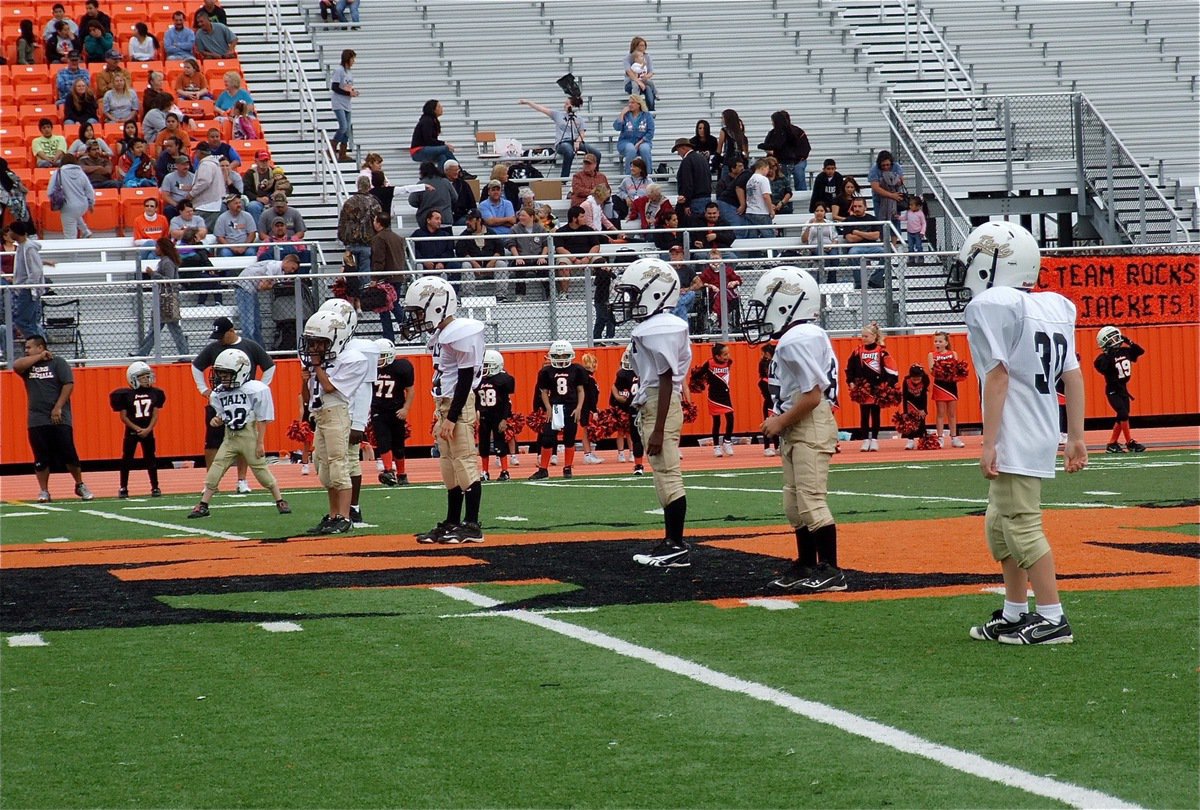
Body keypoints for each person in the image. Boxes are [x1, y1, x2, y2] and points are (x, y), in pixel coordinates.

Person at [948, 220, 1086, 645]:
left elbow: (999, 377)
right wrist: (1076, 435)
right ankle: (1014, 612)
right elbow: (1074, 376)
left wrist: (989, 442)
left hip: (1017, 428)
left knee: (1021, 524)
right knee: (1000, 524)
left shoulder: (990, 305)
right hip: (1040, 425)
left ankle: (1052, 616)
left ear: (995, 265)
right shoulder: (1054, 305)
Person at [744, 266, 845, 592]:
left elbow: (813, 395)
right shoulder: (803, 335)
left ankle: (831, 570)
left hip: (808, 423)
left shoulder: (796, 338)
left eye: (766, 304)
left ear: (787, 305)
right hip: (799, 423)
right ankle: (806, 563)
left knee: (811, 501)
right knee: (794, 502)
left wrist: (779, 421)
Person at [613, 257, 693, 567]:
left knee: (669, 475)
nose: (629, 301)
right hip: (656, 402)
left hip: (661, 403)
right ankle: (672, 542)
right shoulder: (656, 326)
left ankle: (676, 545)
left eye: (634, 293)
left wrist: (658, 428)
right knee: (663, 475)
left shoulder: (661, 327)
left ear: (655, 293)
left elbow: (665, 377)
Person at [401, 275, 487, 544]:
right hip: (445, 405)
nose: (415, 318)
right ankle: (452, 521)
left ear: (437, 306)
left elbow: (465, 379)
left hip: (457, 405)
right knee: (448, 465)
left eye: (418, 311)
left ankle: (472, 525)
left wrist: (452, 416)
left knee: (464, 461)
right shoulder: (441, 334)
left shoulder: (460, 331)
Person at [187, 348, 291, 519]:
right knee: (216, 468)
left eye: (226, 375)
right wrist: (217, 420)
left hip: (248, 435)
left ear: (240, 372)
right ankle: (203, 505)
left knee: (261, 470)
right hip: (230, 437)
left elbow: (262, 417)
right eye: (220, 374)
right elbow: (223, 414)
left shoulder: (254, 389)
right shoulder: (219, 392)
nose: (222, 378)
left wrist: (260, 442)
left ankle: (280, 500)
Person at [298, 309, 368, 534]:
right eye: (312, 343)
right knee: (324, 468)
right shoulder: (320, 362)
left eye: (319, 343)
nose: (313, 348)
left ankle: (345, 517)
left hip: (336, 414)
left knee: (339, 465)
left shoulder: (352, 359)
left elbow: (329, 388)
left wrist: (317, 366)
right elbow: (309, 397)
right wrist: (304, 379)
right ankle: (332, 514)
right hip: (320, 416)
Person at [192, 316, 275, 487]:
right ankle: (211, 480)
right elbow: (196, 366)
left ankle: (242, 480)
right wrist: (204, 389)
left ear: (232, 331)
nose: (219, 340)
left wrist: (259, 387)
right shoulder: (214, 348)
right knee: (212, 440)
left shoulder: (250, 346)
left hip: (244, 402)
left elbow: (269, 366)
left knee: (243, 441)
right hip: (221, 399)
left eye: (222, 336)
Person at [13, 335, 95, 503]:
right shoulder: (29, 366)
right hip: (37, 418)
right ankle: (44, 491)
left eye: (29, 347)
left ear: (40, 346)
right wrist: (38, 357)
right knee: (40, 456)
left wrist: (58, 407)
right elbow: (16, 366)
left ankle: (79, 485)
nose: (26, 351)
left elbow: (68, 384)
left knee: (69, 452)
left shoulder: (58, 363)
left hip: (59, 417)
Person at [528, 340, 587, 479]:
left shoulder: (577, 369)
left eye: (564, 356)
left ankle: (567, 468)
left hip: (571, 406)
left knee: (569, 438)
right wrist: (548, 407)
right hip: (555, 407)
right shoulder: (546, 371)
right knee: (547, 437)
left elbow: (580, 390)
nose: (560, 359)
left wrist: (579, 408)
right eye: (557, 356)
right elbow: (543, 391)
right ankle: (543, 469)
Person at [109, 362, 165, 497]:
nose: (147, 379)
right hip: (132, 431)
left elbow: (155, 414)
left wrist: (148, 429)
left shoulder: (156, 393)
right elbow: (123, 417)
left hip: (148, 430)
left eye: (148, 376)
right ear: (133, 379)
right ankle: (123, 487)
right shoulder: (125, 394)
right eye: (143, 377)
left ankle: (155, 487)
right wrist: (137, 428)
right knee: (127, 460)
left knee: (151, 459)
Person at [518, 97, 601, 179]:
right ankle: (564, 178)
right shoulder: (558, 115)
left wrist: (578, 141)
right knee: (569, 152)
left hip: (575, 141)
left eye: (567, 104)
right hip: (562, 142)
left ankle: (595, 175)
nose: (564, 105)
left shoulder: (579, 119)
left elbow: (582, 133)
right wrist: (528, 102)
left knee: (597, 153)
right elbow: (542, 109)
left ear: (573, 106)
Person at [1094, 326, 1146, 453]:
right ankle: (1129, 442)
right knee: (1123, 414)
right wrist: (1109, 354)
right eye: (1113, 338)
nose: (1117, 339)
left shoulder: (1125, 351)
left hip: (1123, 389)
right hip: (1113, 390)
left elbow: (1140, 351)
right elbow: (1102, 367)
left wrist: (1128, 341)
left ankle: (1112, 444)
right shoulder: (1102, 358)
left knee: (1122, 416)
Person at [134, 238, 189, 357]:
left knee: (168, 329)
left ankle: (184, 354)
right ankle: (143, 353)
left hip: (167, 300)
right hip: (164, 300)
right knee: (159, 329)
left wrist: (153, 274)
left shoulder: (167, 262)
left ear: (163, 248)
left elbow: (169, 281)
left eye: (157, 247)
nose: (155, 249)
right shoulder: (165, 261)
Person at [846, 321, 896, 451]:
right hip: (863, 388)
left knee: (875, 414)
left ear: (874, 337)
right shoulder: (857, 351)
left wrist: (888, 385)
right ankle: (865, 440)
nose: (863, 339)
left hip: (877, 388)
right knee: (864, 415)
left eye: (866, 336)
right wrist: (851, 381)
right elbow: (850, 368)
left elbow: (892, 369)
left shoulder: (882, 351)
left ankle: (874, 440)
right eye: (862, 336)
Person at [371, 338, 414, 486]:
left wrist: (406, 408)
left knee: (398, 445)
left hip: (396, 411)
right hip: (378, 410)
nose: (378, 359)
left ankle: (402, 474)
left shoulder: (401, 367)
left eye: (381, 356)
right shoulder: (371, 368)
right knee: (383, 441)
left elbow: (410, 390)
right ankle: (389, 471)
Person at [8, 222, 52, 342]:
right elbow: (33, 265)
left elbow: (35, 270)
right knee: (30, 322)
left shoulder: (28, 247)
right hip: (27, 289)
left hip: (28, 291)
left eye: (10, 231)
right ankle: (39, 346)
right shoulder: (24, 247)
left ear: (16, 232)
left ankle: (36, 344)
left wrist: (27, 285)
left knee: (22, 321)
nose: (9, 233)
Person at [476, 349, 515, 481]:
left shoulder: (503, 379)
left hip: (497, 416)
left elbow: (506, 402)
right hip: (483, 416)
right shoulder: (478, 380)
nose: (484, 368)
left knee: (500, 443)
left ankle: (505, 471)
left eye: (487, 365)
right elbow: (475, 400)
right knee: (483, 445)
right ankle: (485, 471)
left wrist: (504, 419)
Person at [370, 213, 408, 341]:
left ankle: (390, 335)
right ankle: (405, 326)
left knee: (384, 307)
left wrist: (375, 279)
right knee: (393, 303)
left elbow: (378, 260)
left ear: (379, 223)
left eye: (375, 220)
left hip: (385, 278)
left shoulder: (379, 238)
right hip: (397, 276)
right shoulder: (397, 237)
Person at [338, 175, 382, 281]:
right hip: (367, 243)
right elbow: (379, 222)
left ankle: (353, 294)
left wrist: (343, 238)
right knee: (365, 271)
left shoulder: (349, 202)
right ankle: (364, 293)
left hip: (351, 243)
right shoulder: (373, 202)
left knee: (350, 272)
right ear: (369, 186)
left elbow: (342, 223)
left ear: (358, 186)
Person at [610, 347, 645, 473]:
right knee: (636, 436)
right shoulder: (624, 373)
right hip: (635, 407)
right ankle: (639, 465)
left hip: (648, 406)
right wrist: (619, 397)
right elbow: (615, 387)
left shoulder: (648, 371)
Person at [928, 331, 965, 448]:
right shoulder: (931, 355)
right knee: (940, 413)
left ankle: (954, 438)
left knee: (952, 413)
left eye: (940, 341)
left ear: (946, 342)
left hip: (951, 386)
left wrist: (952, 372)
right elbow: (931, 371)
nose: (937, 343)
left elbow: (957, 369)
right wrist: (941, 370)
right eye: (935, 341)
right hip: (940, 385)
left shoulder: (953, 353)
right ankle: (940, 438)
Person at [553, 205, 601, 295]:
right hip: (569, 257)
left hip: (588, 256)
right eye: (582, 216)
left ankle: (602, 293)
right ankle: (564, 294)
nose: (585, 218)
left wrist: (587, 257)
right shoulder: (561, 231)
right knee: (563, 266)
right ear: (574, 219)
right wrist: (574, 259)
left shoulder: (589, 230)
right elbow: (560, 248)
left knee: (602, 264)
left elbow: (596, 246)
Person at [759, 109, 811, 192]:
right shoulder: (773, 133)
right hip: (781, 160)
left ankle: (800, 193)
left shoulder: (796, 132)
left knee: (798, 173)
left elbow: (805, 147)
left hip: (797, 160)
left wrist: (799, 158)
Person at [838, 197, 885, 287]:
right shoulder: (848, 220)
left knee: (887, 254)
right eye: (855, 206)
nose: (857, 209)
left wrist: (858, 232)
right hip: (856, 248)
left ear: (865, 207)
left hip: (872, 247)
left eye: (860, 206)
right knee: (852, 254)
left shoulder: (872, 219)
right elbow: (850, 239)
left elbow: (876, 236)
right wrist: (868, 234)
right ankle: (860, 283)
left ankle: (875, 279)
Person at [700, 343, 735, 456]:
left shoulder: (728, 362)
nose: (727, 356)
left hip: (725, 395)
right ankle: (716, 447)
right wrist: (697, 382)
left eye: (728, 353)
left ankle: (727, 442)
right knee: (717, 422)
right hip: (714, 396)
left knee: (730, 418)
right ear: (717, 356)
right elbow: (699, 374)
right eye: (725, 354)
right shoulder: (709, 363)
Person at [50, 155, 96, 239]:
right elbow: (89, 190)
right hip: (83, 205)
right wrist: (91, 203)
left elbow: (50, 191)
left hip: (68, 206)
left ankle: (73, 251)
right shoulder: (81, 172)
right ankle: (85, 231)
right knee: (76, 214)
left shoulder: (58, 172)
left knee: (70, 236)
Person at [868, 150, 906, 243]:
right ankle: (883, 244)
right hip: (880, 200)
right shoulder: (874, 170)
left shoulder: (896, 167)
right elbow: (875, 187)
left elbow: (902, 181)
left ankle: (894, 245)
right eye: (883, 165)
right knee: (881, 222)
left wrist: (896, 181)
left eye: (888, 165)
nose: (886, 167)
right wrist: (891, 195)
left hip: (894, 200)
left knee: (895, 220)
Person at [672, 137, 712, 223]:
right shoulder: (702, 159)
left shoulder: (687, 161)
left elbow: (688, 183)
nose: (678, 154)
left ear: (683, 148)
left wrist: (686, 204)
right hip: (706, 197)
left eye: (678, 150)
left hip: (695, 200)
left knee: (695, 226)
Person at [700, 248, 742, 329]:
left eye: (716, 259)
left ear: (721, 259)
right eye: (712, 259)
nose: (715, 261)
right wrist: (710, 286)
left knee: (723, 292)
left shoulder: (727, 270)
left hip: (729, 295)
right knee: (720, 294)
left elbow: (739, 280)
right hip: (714, 296)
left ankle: (715, 315)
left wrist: (734, 282)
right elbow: (701, 282)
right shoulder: (707, 271)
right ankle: (723, 326)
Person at [612, 94, 654, 175]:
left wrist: (639, 143)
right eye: (629, 103)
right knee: (631, 149)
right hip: (625, 141)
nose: (630, 105)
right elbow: (617, 127)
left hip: (643, 141)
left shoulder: (647, 116)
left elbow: (650, 132)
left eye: (632, 103)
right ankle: (629, 175)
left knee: (645, 149)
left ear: (639, 104)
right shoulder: (626, 115)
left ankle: (648, 174)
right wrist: (622, 114)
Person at [329, 49, 358, 162]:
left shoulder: (349, 72)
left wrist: (353, 92)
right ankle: (332, 146)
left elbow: (347, 86)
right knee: (343, 126)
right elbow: (335, 87)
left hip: (347, 103)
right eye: (352, 59)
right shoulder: (339, 70)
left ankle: (342, 153)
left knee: (347, 130)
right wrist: (348, 93)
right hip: (338, 103)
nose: (353, 61)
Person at [410, 99, 455, 168]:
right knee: (446, 149)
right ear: (433, 109)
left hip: (426, 149)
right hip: (418, 151)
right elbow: (429, 140)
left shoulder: (432, 120)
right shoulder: (427, 121)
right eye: (439, 107)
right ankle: (459, 172)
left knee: (442, 157)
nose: (442, 108)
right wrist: (444, 144)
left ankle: (441, 176)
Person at [899, 364, 931, 450]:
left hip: (920, 402)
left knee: (921, 421)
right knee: (910, 422)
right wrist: (905, 412)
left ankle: (922, 440)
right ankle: (910, 441)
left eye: (918, 379)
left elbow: (924, 396)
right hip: (910, 402)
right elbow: (905, 397)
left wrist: (924, 410)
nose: (916, 381)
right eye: (914, 379)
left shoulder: (925, 380)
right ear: (910, 376)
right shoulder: (906, 381)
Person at [757, 343, 779, 457]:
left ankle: (777, 446)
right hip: (769, 403)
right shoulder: (763, 381)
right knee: (767, 424)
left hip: (776, 401)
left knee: (777, 424)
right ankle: (766, 447)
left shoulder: (777, 363)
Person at [623, 37, 657, 111]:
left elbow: (651, 72)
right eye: (641, 45)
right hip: (631, 83)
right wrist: (638, 82)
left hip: (643, 80)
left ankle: (651, 110)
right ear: (635, 46)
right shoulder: (628, 58)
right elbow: (629, 72)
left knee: (648, 88)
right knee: (641, 86)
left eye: (644, 45)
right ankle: (637, 105)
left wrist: (646, 76)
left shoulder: (647, 57)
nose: (643, 47)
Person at [613, 157, 649, 221]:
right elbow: (620, 191)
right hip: (630, 207)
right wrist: (626, 197)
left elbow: (653, 193)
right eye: (631, 166)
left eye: (634, 167)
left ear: (640, 169)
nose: (631, 169)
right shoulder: (626, 180)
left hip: (644, 208)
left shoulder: (648, 181)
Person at [717, 109, 748, 181]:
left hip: (728, 163)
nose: (722, 120)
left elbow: (719, 149)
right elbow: (745, 154)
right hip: (740, 163)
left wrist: (717, 161)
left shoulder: (724, 131)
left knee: (726, 184)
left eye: (723, 118)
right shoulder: (740, 133)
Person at [0, 161, 32, 228]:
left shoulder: (7, 172)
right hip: (5, 194)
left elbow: (23, 189)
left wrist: (18, 185)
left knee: (21, 208)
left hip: (10, 195)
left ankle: (30, 232)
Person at [443, 160, 474, 226]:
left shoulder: (464, 185)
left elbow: (472, 204)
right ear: (446, 171)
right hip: (443, 217)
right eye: (454, 170)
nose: (457, 172)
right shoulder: (440, 184)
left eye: (457, 170)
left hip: (460, 216)